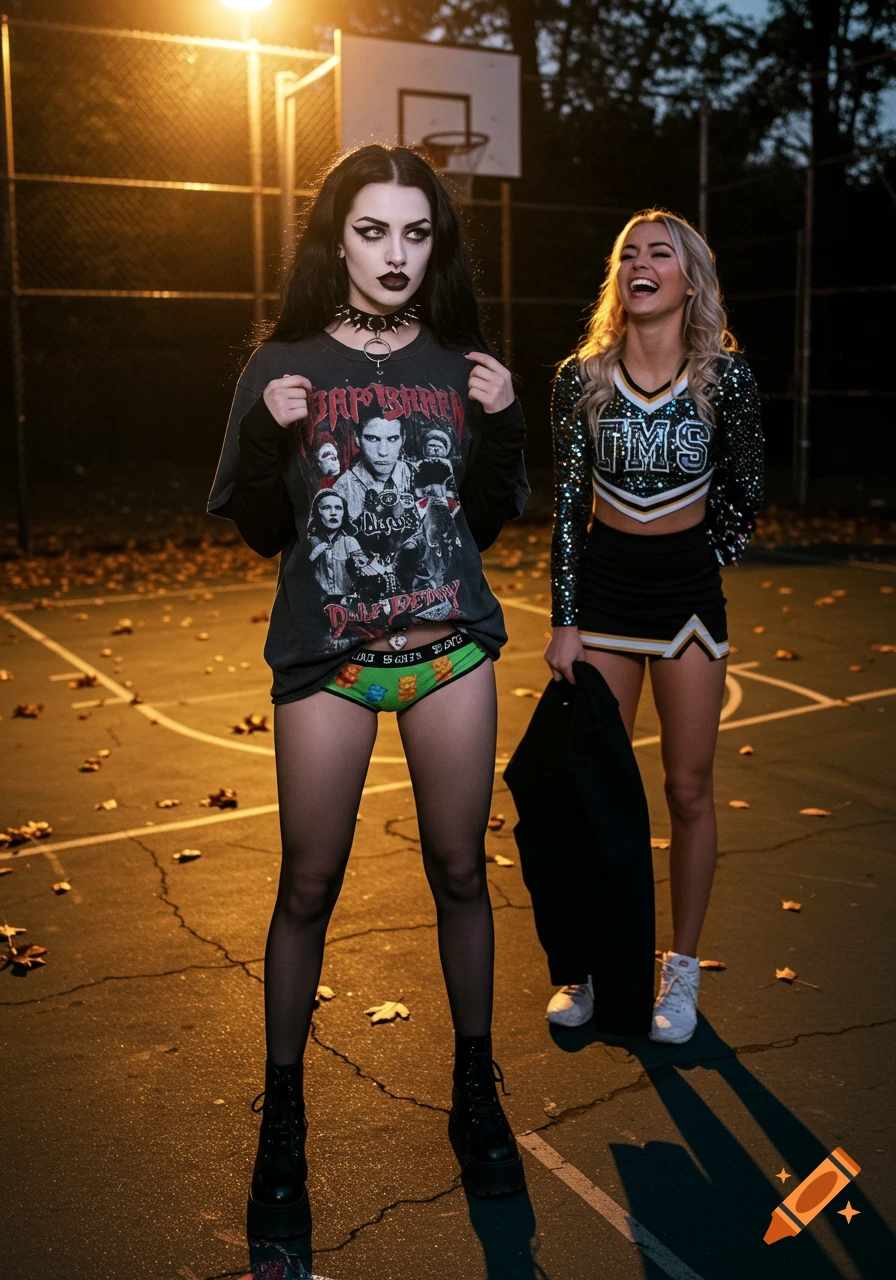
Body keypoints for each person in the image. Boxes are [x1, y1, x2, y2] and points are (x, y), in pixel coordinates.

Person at [208, 143, 529, 1238]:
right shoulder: (280, 360)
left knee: (457, 868)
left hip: (447, 652)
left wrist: (506, 420)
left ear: (435, 243)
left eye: (416, 232)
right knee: (307, 884)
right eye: (371, 230)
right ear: (333, 237)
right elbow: (260, 531)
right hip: (327, 663)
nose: (395, 254)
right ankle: (283, 1112)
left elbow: (479, 524)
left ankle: (475, 1088)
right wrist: (264, 437)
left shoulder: (460, 360)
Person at [544, 208, 763, 1044]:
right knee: (596, 791)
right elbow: (567, 508)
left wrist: (702, 562)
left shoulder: (727, 379)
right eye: (628, 253)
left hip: (683, 595)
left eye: (659, 253)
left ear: (689, 279)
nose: (641, 262)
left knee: (687, 786)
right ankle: (601, 966)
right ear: (620, 279)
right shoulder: (583, 377)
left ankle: (681, 972)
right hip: (602, 595)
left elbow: (746, 490)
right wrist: (566, 618)